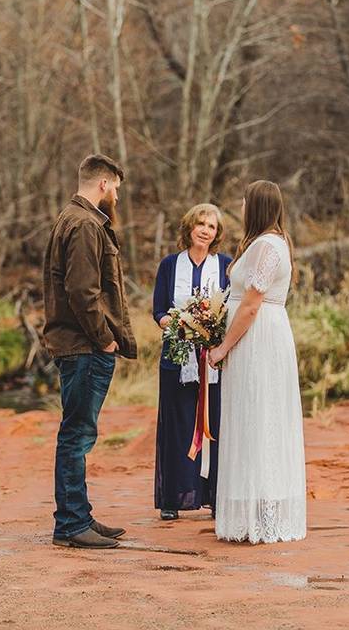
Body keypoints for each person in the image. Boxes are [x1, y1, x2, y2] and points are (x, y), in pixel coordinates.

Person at [42, 154, 137, 549]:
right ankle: (70, 525)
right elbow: (83, 293)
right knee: (77, 435)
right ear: (103, 184)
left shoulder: (74, 218)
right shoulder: (83, 224)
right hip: (83, 347)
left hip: (79, 345)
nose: (116, 193)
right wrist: (104, 339)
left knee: (77, 432)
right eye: (115, 186)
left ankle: (79, 516)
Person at [208, 180, 306, 544]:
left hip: (257, 337)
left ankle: (264, 515)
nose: (242, 207)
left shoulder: (267, 246)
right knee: (252, 415)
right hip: (261, 333)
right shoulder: (268, 242)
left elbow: (250, 304)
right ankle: (252, 511)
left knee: (260, 416)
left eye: (246, 202)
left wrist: (222, 348)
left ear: (257, 206)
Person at [152, 204, 231, 521]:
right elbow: (158, 309)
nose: (205, 230)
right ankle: (173, 497)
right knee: (177, 427)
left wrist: (214, 334)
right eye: (200, 223)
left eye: (211, 226)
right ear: (189, 227)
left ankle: (213, 496)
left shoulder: (225, 265)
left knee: (213, 426)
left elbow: (230, 311)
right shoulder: (170, 265)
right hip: (177, 356)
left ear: (217, 234)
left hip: (212, 362)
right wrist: (172, 323)